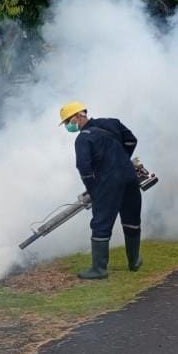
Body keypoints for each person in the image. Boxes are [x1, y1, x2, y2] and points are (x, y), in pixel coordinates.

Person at [59, 101, 142, 280]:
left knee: (101, 224)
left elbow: (83, 167)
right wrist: (121, 159)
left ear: (77, 116)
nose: (67, 126)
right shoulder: (112, 123)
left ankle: (99, 269)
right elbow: (131, 140)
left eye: (67, 122)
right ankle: (134, 262)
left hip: (108, 183)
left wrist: (93, 189)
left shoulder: (83, 139)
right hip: (129, 176)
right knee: (131, 219)